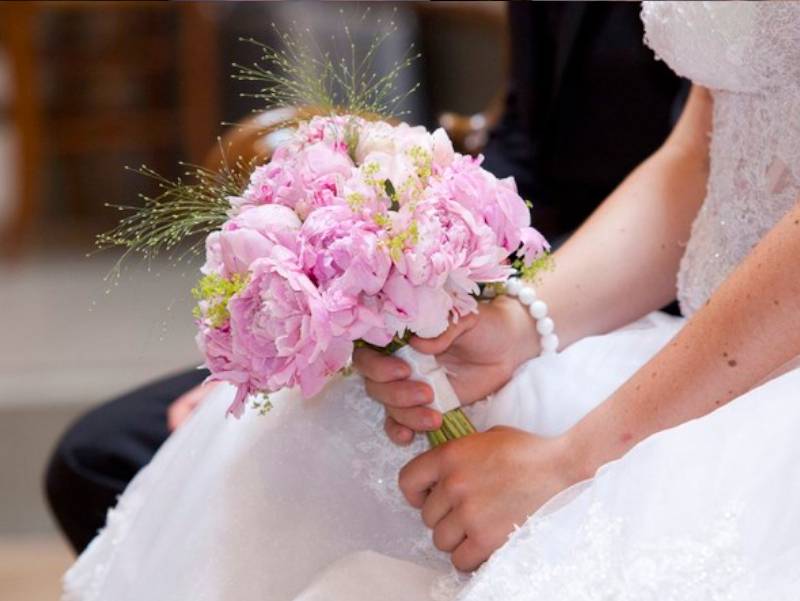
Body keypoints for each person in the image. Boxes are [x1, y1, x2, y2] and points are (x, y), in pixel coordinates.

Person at [61, 2, 800, 599]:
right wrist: (516, 324)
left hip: (767, 395)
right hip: (701, 340)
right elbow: (699, 160)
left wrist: (575, 463)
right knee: (298, 443)